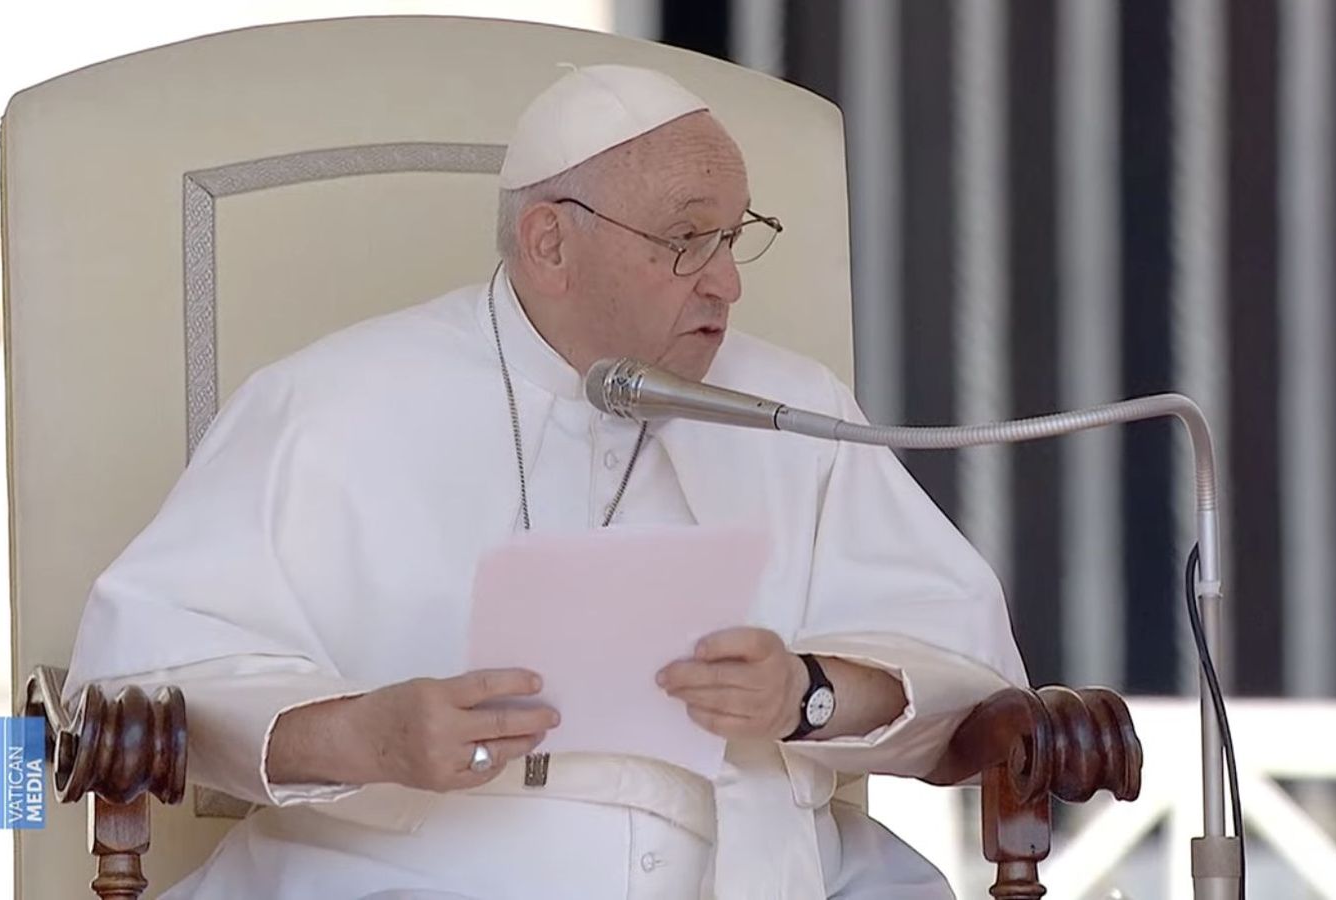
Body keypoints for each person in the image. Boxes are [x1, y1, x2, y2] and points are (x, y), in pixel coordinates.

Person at [65, 63, 1026, 899]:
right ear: (550, 244)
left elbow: (961, 664)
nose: (726, 283)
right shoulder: (328, 404)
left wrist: (809, 694)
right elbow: (140, 682)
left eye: (737, 237)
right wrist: (368, 736)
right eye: (687, 240)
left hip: (755, 871)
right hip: (410, 877)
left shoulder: (793, 406)